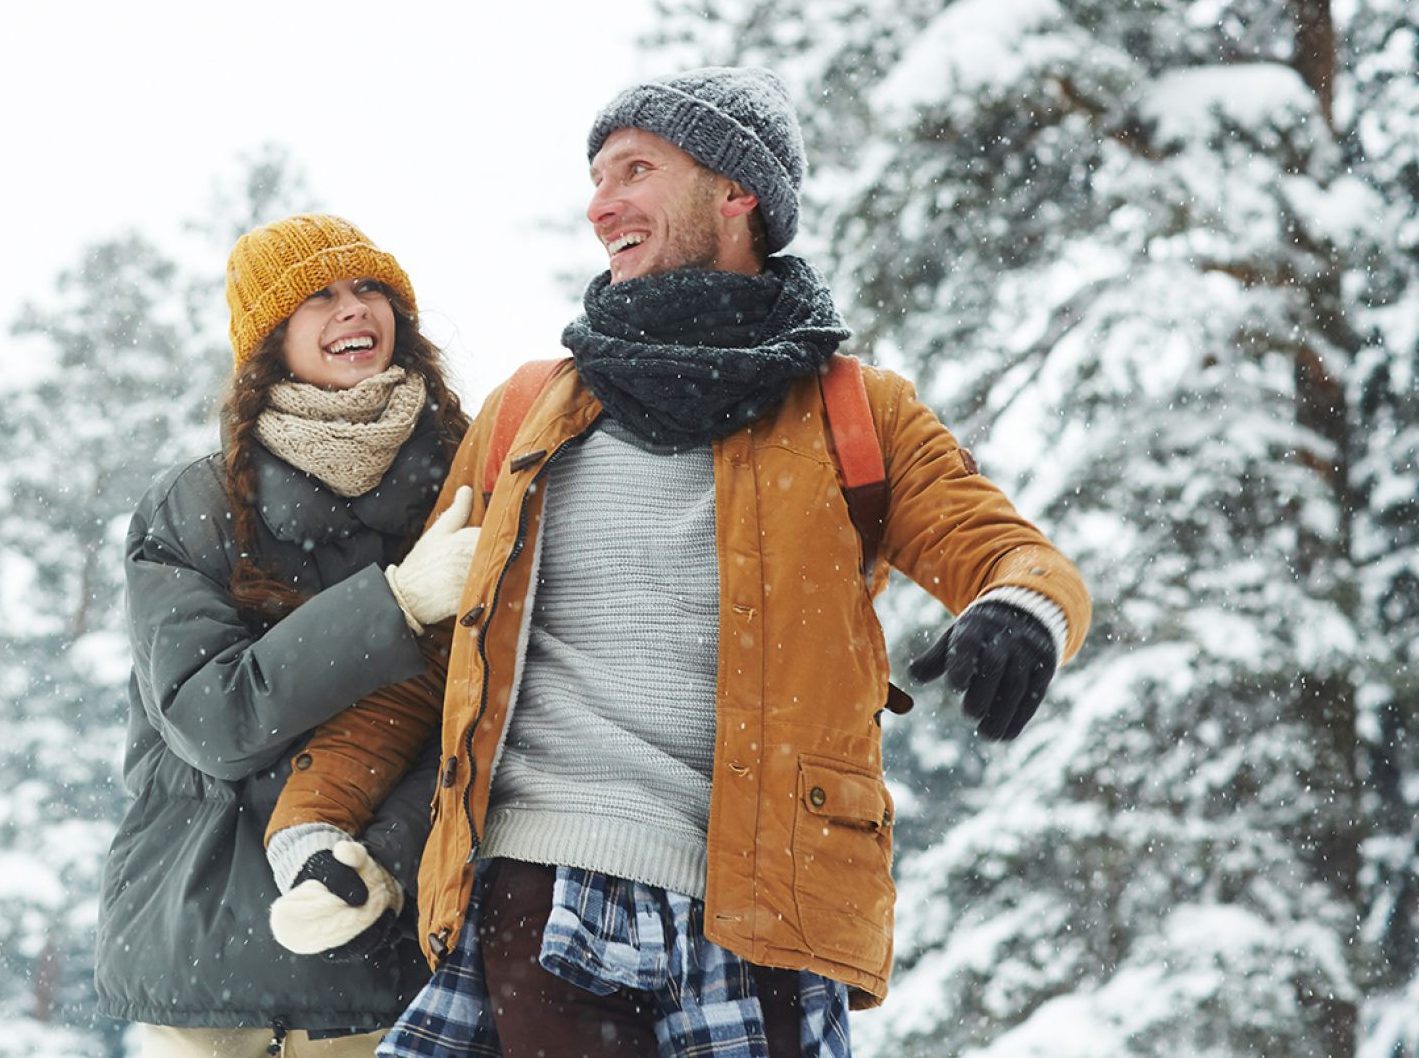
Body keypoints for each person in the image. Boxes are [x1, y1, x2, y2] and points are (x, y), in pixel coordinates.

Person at [260, 69, 1093, 1058]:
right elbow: (438, 656)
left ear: (736, 191)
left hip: (761, 915)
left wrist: (1021, 611)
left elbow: (1007, 553)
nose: (598, 202)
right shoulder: (524, 415)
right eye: (595, 176)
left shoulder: (855, 414)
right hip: (537, 890)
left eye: (634, 169)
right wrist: (312, 827)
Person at [96, 213, 480, 1058]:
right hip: (208, 978)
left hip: (393, 971)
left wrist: (366, 869)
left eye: (368, 288)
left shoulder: (467, 490)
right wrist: (399, 604)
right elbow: (214, 722)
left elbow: (478, 734)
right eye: (318, 298)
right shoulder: (192, 507)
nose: (352, 310)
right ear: (268, 339)